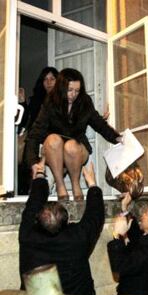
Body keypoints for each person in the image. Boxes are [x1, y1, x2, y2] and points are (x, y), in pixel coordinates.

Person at [25, 68, 121, 201]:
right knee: (53, 139)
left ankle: (76, 184)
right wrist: (33, 161)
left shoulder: (85, 101)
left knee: (70, 146)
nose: (73, 94)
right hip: (54, 149)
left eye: (77, 91)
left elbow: (99, 124)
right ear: (61, 88)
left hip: (78, 146)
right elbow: (35, 133)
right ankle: (60, 185)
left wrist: (117, 138)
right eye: (70, 90)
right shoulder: (51, 102)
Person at [19, 159, 104, 295]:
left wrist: (40, 174)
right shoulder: (77, 238)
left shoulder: (28, 236)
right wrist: (92, 184)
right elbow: (95, 216)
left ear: (37, 220)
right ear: (67, 222)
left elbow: (33, 204)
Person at [17, 67, 59, 195]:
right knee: (30, 166)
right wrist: (23, 103)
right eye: (45, 79)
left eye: (52, 79)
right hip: (35, 141)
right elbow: (25, 121)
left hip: (53, 142)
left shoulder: (62, 100)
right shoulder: (36, 100)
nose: (49, 82)